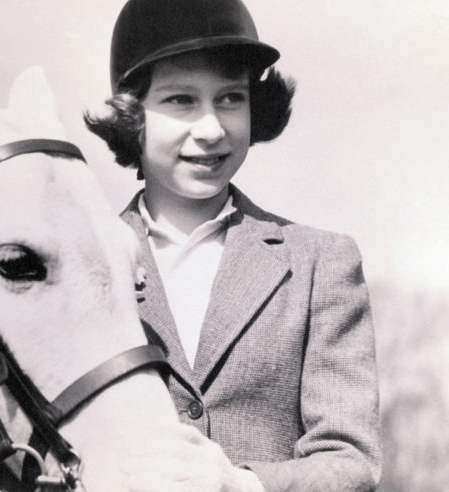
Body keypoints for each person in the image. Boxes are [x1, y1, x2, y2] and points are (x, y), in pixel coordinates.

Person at [84, 0, 382, 490]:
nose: (212, 129)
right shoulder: (81, 263)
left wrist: (236, 484)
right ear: (131, 115)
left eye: (230, 99)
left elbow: (351, 461)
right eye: (181, 100)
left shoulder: (320, 262)